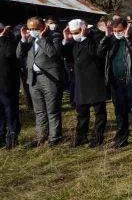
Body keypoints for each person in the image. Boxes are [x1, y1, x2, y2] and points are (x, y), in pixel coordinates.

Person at [18, 17, 63, 147]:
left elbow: (53, 53)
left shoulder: (54, 36)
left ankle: (54, 137)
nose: (32, 31)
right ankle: (41, 137)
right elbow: (18, 54)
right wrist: (23, 39)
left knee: (52, 109)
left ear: (43, 27)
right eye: (30, 29)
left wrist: (42, 38)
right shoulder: (29, 39)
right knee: (39, 111)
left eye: (35, 29)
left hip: (49, 78)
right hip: (33, 78)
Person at [62, 20, 108, 147]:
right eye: (72, 33)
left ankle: (98, 138)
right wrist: (66, 40)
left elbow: (96, 53)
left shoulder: (95, 38)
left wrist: (84, 38)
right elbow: (65, 55)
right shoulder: (73, 43)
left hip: (95, 81)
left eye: (76, 32)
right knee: (82, 113)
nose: (74, 35)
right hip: (81, 82)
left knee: (99, 112)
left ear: (84, 29)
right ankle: (81, 136)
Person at [105, 19, 132, 148]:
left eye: (120, 31)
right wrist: (106, 37)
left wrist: (128, 38)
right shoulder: (112, 40)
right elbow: (100, 52)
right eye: (115, 31)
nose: (118, 33)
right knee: (120, 111)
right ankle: (121, 137)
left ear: (126, 29)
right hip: (117, 81)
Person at [0, 23, 20, 148]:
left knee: (10, 111)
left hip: (7, 84)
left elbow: (9, 54)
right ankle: (1, 136)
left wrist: (2, 38)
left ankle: (12, 136)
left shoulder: (9, 42)